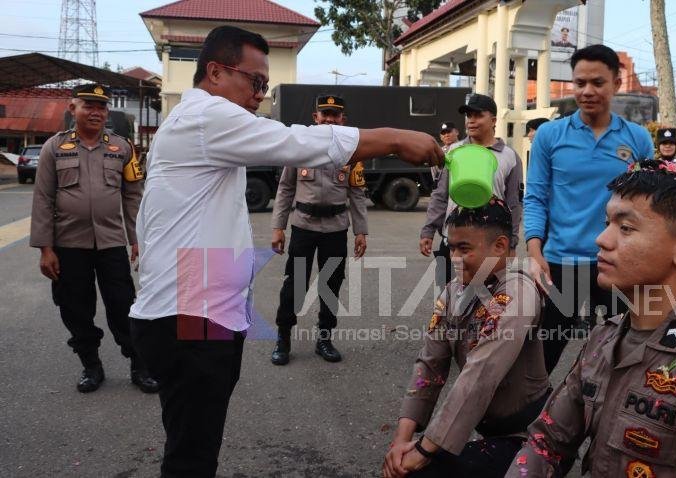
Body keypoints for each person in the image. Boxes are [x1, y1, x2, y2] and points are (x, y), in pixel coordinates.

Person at [128, 26, 441, 478]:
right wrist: (394, 138)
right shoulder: (206, 117)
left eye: (265, 84)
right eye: (254, 81)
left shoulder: (197, 127)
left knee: (192, 442)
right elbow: (298, 142)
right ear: (215, 72)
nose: (260, 94)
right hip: (188, 322)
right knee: (191, 456)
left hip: (198, 316)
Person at [506, 159, 676, 477]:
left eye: (626, 228)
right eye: (607, 223)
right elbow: (546, 442)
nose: (602, 239)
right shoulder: (603, 338)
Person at [384, 199, 549, 478]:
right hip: (486, 430)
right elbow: (430, 364)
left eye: (464, 248)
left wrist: (424, 451)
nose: (455, 258)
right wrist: (401, 440)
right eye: (451, 247)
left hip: (529, 436)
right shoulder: (453, 292)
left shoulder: (518, 292)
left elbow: (480, 374)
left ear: (499, 246)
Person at [524, 44, 655, 374]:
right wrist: (534, 251)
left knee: (623, 352)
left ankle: (611, 419)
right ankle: (529, 416)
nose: (587, 91)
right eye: (580, 83)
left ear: (616, 83)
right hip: (560, 263)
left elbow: (649, 206)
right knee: (544, 351)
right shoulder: (550, 136)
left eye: (598, 82)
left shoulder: (637, 139)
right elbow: (536, 196)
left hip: (617, 262)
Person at [30, 83, 159, 394]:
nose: (96, 112)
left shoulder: (123, 148)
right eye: (88, 106)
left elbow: (133, 196)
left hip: (111, 242)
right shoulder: (54, 148)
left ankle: (139, 364)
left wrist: (136, 238)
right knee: (74, 307)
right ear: (73, 109)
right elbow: (43, 199)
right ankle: (91, 364)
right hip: (69, 245)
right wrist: (46, 249)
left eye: (101, 107)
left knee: (124, 305)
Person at [269, 94, 368, 365]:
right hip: (304, 227)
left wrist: (361, 231)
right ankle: (283, 337)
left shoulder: (351, 151)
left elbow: (357, 193)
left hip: (336, 229)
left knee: (331, 285)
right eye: (324, 114)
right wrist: (278, 227)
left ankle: (324, 339)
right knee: (295, 284)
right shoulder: (302, 147)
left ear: (342, 120)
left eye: (334, 115)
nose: (329, 119)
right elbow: (286, 188)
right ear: (316, 117)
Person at [420, 93, 523, 291]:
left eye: (477, 115)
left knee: (488, 301)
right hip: (453, 240)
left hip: (488, 243)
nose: (471, 121)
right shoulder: (453, 152)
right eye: (468, 116)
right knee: (448, 298)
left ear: (493, 120)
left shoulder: (510, 156)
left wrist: (512, 243)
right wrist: (428, 230)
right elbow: (440, 195)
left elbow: (513, 204)